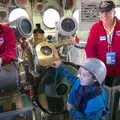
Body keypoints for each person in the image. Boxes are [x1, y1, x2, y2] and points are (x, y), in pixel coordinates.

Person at [85, 0, 120, 86]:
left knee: (116, 94)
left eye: (108, 11)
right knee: (103, 94)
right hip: (101, 71)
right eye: (102, 12)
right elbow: (89, 48)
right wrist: (97, 66)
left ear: (114, 12)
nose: (104, 14)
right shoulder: (95, 28)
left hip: (119, 70)